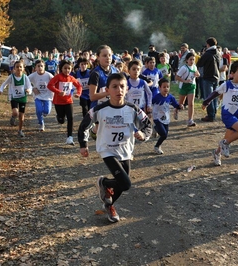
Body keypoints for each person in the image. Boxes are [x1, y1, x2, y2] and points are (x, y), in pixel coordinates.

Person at [78, 73, 152, 223]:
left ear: (127, 89)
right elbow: (83, 127)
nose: (119, 90)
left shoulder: (133, 109)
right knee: (126, 183)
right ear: (107, 90)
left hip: (125, 150)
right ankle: (105, 184)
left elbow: (148, 125)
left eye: (122, 86)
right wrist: (83, 144)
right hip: (107, 150)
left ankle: (109, 203)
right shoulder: (99, 110)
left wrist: (143, 135)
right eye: (115, 87)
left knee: (122, 185)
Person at [202, 60, 238, 166]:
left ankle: (217, 153)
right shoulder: (227, 85)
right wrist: (206, 102)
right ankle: (225, 143)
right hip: (227, 114)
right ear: (232, 73)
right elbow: (215, 93)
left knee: (228, 136)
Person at [47, 60, 82, 145]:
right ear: (61, 68)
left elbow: (79, 86)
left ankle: (69, 137)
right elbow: (49, 85)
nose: (67, 70)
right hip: (58, 102)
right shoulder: (58, 77)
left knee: (71, 118)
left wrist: (78, 93)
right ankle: (59, 117)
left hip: (68, 101)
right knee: (61, 120)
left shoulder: (71, 78)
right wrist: (58, 91)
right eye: (65, 68)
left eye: (69, 68)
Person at [88, 45, 118, 138]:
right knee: (101, 132)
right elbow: (92, 96)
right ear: (98, 57)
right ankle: (93, 130)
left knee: (111, 130)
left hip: (112, 106)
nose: (108, 58)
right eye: (104, 55)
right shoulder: (95, 74)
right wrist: (109, 92)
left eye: (109, 55)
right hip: (98, 107)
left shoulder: (115, 70)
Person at [0, 61, 33, 137]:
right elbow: (4, 84)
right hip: (14, 97)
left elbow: (30, 86)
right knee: (15, 113)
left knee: (21, 115)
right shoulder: (11, 77)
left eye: (20, 67)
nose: (18, 68)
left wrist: (29, 90)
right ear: (14, 68)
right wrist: (1, 90)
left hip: (22, 98)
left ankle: (20, 130)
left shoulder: (25, 77)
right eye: (17, 67)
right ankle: (13, 117)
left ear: (23, 69)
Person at [152, 78, 183, 154]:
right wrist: (148, 109)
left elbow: (175, 104)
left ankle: (155, 128)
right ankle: (157, 147)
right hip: (157, 118)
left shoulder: (170, 97)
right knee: (164, 135)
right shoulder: (156, 97)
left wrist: (180, 106)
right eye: (164, 87)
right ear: (160, 88)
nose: (166, 89)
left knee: (165, 134)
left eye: (167, 87)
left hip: (166, 119)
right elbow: (150, 103)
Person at [196, 37, 221, 122]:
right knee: (214, 96)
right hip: (217, 76)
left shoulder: (207, 54)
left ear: (208, 44)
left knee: (209, 97)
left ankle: (210, 115)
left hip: (208, 77)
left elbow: (199, 63)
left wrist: (202, 54)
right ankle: (214, 112)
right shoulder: (218, 53)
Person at [28, 60, 54, 131]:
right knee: (39, 110)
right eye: (38, 66)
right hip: (38, 96)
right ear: (35, 68)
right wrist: (33, 88)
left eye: (41, 66)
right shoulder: (33, 75)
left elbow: (55, 82)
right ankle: (41, 123)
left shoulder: (49, 75)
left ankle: (43, 114)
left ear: (44, 67)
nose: (40, 68)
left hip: (48, 95)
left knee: (47, 111)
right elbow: (26, 81)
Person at [174, 52, 200, 126]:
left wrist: (197, 74)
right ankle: (176, 110)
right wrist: (184, 80)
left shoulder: (194, 67)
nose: (192, 61)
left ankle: (190, 120)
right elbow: (177, 77)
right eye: (190, 59)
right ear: (187, 60)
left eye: (193, 60)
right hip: (183, 86)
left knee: (191, 104)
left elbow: (198, 73)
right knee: (181, 104)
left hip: (192, 86)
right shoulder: (184, 68)